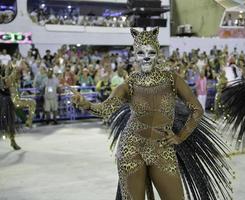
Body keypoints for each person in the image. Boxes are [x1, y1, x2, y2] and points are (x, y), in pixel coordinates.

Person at [72, 28, 232, 200]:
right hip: (131, 148)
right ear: (135, 55)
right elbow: (106, 109)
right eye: (141, 52)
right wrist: (86, 104)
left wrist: (180, 137)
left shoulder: (172, 79)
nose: (146, 56)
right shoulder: (130, 83)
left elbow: (197, 109)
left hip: (162, 148)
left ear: (157, 53)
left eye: (151, 52)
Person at [0, 62, 21, 150]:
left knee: (11, 120)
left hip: (9, 98)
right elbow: (5, 84)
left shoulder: (9, 72)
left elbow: (11, 84)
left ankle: (13, 141)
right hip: (2, 98)